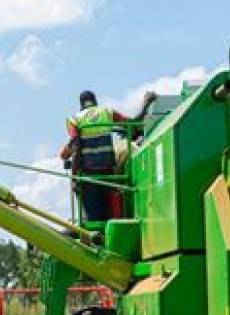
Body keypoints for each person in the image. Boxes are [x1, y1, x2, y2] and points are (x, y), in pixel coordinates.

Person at [60, 90, 157, 222]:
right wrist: (146, 104)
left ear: (81, 104)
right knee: (111, 213)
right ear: (95, 102)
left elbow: (75, 145)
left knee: (94, 220)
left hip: (89, 178)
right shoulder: (107, 112)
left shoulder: (75, 119)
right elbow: (132, 123)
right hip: (109, 174)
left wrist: (75, 176)